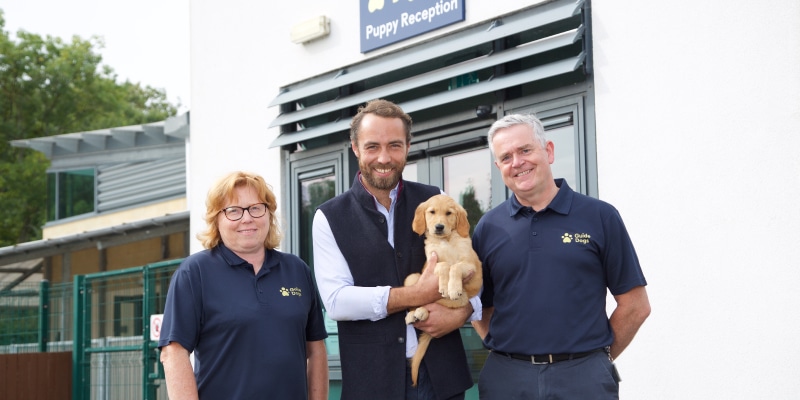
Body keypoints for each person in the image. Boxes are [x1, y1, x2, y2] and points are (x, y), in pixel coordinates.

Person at [471, 114, 651, 399]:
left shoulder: (600, 216)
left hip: (583, 379)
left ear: (549, 151)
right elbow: (480, 307)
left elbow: (635, 305)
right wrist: (506, 351)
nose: (517, 162)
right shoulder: (488, 227)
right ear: (499, 167)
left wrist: (596, 361)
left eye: (525, 150)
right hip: (506, 380)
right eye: (506, 157)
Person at [312, 99, 478, 400]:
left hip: (442, 378)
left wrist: (465, 311)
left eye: (395, 145)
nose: (384, 157)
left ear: (408, 146)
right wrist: (415, 295)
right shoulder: (329, 217)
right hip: (372, 382)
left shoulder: (435, 200)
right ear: (355, 148)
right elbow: (337, 301)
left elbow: (472, 268)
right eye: (372, 146)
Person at [158, 171, 329, 400]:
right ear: (216, 220)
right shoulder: (194, 273)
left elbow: (316, 350)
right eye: (233, 211)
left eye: (256, 208)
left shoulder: (297, 270)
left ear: (269, 214)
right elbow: (173, 353)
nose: (247, 218)